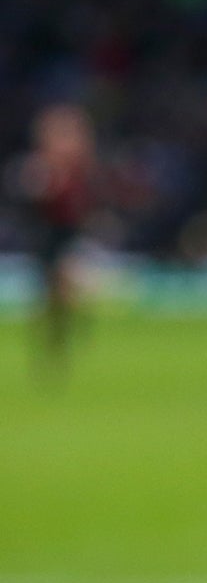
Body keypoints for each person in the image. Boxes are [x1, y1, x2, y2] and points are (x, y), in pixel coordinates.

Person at [15, 103, 96, 379]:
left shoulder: (72, 170)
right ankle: (55, 342)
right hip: (50, 235)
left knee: (60, 291)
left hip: (65, 233)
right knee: (53, 294)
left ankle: (59, 340)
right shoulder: (43, 169)